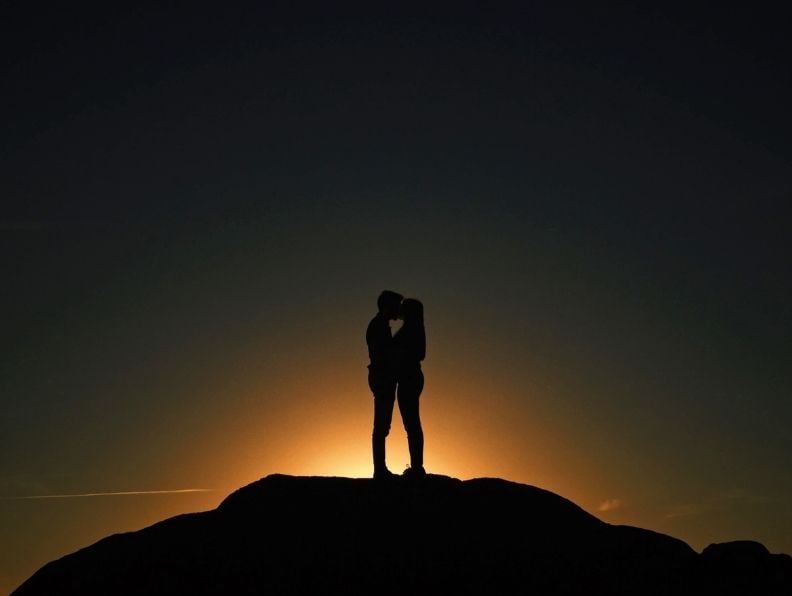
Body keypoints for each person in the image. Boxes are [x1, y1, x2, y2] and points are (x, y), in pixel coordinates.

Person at [366, 290, 403, 479]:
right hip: (382, 379)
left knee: (382, 426)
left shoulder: (380, 325)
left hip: (381, 377)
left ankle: (380, 469)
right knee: (381, 426)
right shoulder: (378, 326)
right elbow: (381, 354)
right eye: (397, 306)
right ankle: (379, 470)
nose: (399, 310)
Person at [393, 298, 426, 478]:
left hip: (409, 378)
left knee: (412, 424)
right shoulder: (414, 328)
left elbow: (420, 353)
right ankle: (416, 466)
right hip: (411, 377)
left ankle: (417, 467)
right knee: (412, 424)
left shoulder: (411, 330)